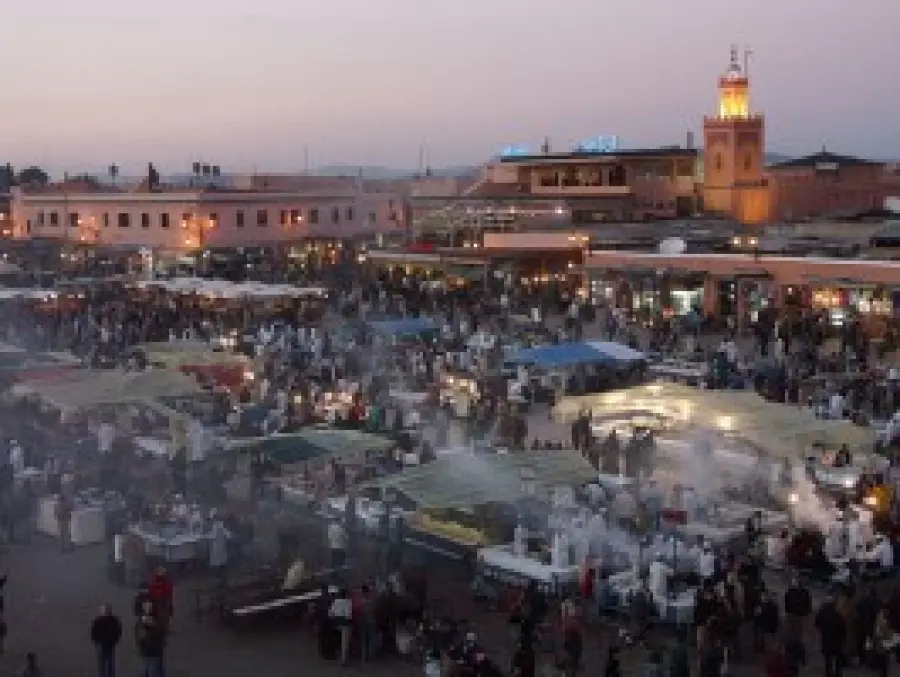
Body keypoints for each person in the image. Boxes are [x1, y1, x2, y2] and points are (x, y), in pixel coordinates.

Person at [815, 594, 846, 677]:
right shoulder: (837, 613)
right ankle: (838, 673)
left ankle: (828, 673)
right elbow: (842, 626)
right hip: (837, 639)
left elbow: (817, 623)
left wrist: (822, 629)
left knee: (828, 659)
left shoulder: (821, 612)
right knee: (838, 658)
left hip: (826, 638)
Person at [90, 603, 122, 677]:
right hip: (102, 644)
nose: (106, 611)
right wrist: (96, 642)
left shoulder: (114, 621)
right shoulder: (98, 621)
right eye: (105, 610)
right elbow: (93, 632)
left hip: (109, 644)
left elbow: (118, 631)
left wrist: (115, 640)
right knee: (103, 663)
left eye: (107, 610)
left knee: (108, 663)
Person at [134, 601, 165, 677]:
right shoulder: (157, 621)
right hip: (152, 652)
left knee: (147, 671)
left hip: (148, 652)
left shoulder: (142, 621)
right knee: (151, 671)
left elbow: (139, 635)